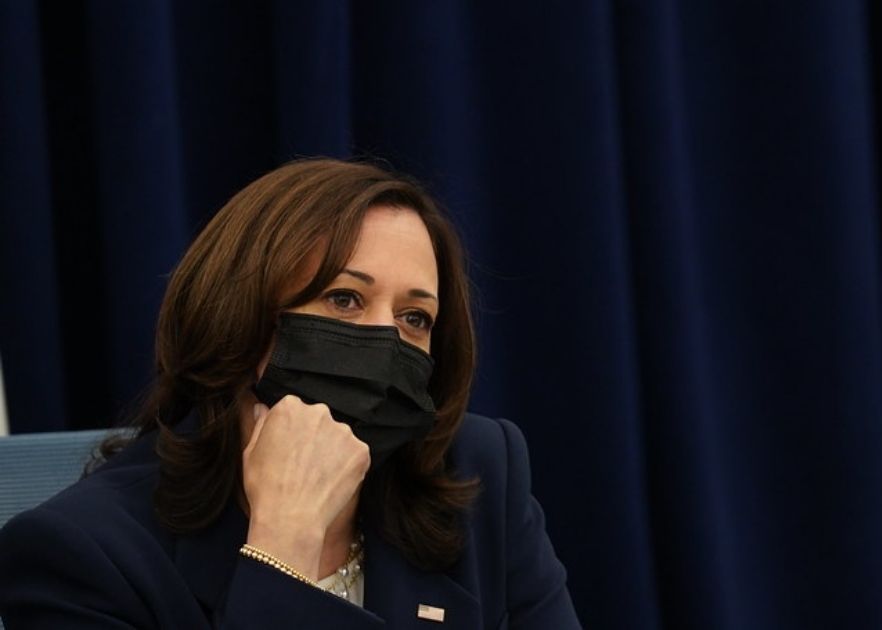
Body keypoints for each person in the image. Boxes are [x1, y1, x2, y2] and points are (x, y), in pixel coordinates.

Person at [0, 159, 581, 628]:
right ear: (241, 314)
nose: (384, 340)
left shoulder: (481, 472)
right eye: (344, 299)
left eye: (414, 317)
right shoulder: (81, 554)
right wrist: (282, 549)